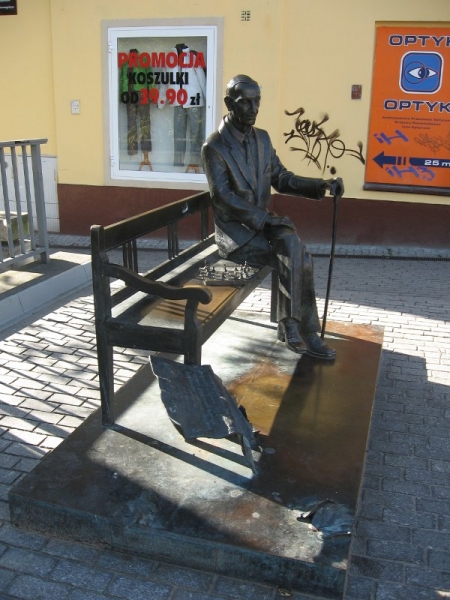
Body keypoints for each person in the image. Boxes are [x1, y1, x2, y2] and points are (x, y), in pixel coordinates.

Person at [201, 74, 344, 360]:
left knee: (293, 248)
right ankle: (304, 331)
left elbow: (281, 178)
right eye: (245, 103)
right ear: (229, 103)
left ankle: (293, 326)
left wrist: (321, 185)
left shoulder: (262, 140)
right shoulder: (214, 147)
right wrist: (266, 220)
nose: (254, 109)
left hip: (261, 226)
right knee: (298, 254)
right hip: (236, 235)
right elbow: (223, 198)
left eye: (257, 102)